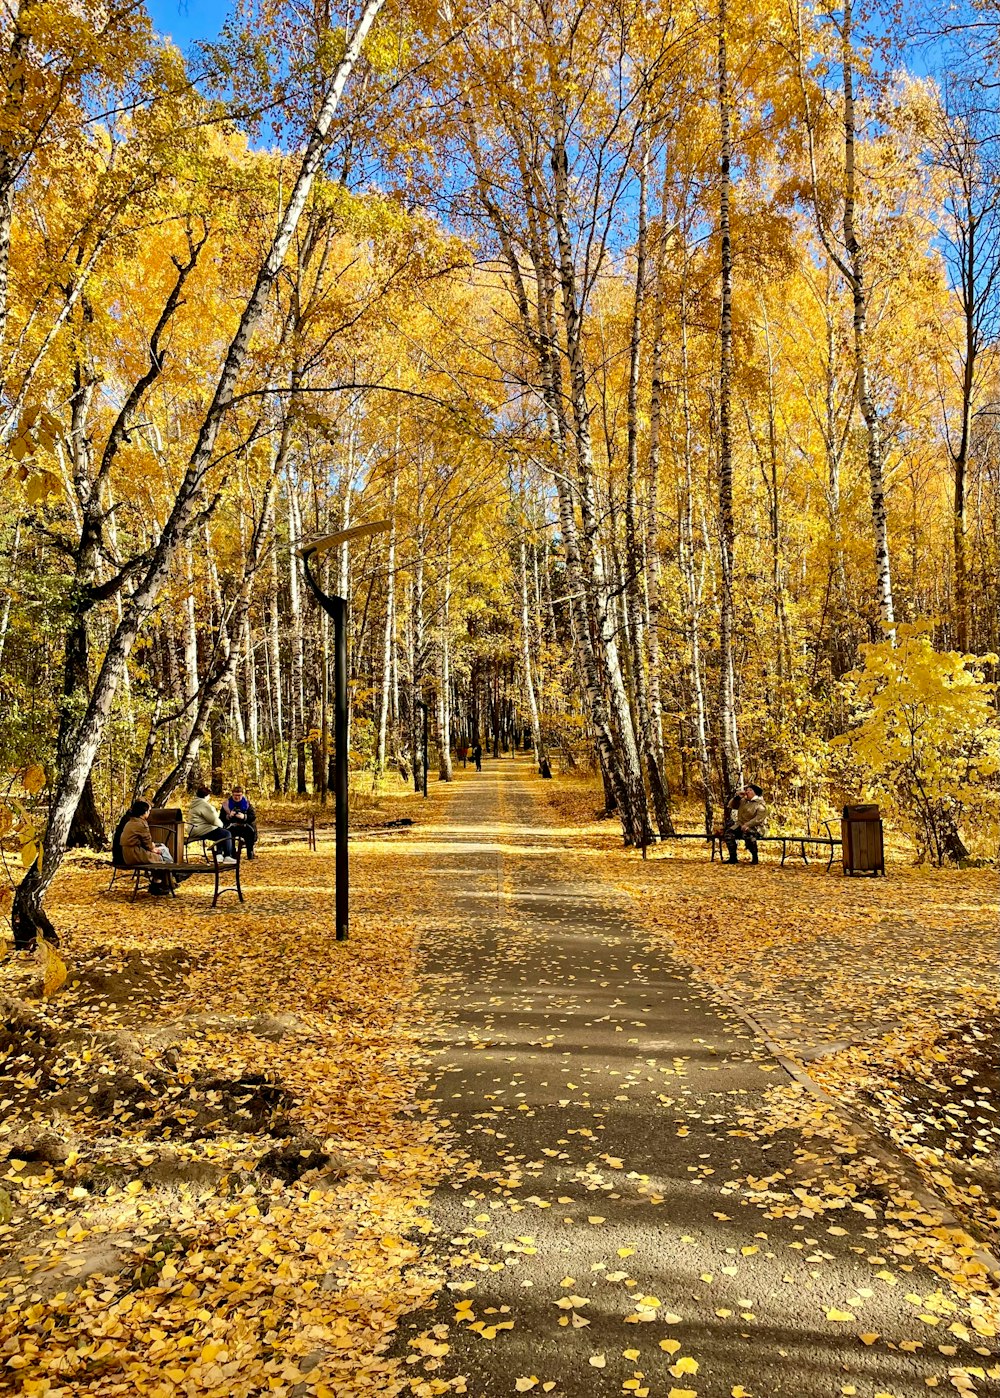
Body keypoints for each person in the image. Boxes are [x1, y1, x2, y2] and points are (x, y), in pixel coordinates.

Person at [120, 799, 174, 895]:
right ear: (144, 812)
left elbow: (144, 842)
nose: (149, 813)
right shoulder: (141, 824)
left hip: (128, 853)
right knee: (162, 856)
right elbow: (148, 844)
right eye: (148, 811)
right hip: (135, 854)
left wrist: (154, 848)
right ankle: (168, 880)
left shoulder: (130, 822)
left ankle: (163, 881)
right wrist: (154, 849)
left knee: (162, 849)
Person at [187, 786, 236, 861]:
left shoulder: (194, 803)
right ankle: (227, 856)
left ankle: (219, 854)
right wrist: (222, 825)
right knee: (226, 833)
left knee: (220, 833)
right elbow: (213, 820)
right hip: (200, 830)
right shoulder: (204, 805)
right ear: (206, 796)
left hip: (193, 829)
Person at [724, 784, 767, 865]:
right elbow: (731, 805)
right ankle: (733, 857)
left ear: (755, 793)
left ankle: (755, 857)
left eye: (750, 790)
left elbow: (759, 819)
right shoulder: (743, 801)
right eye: (747, 790)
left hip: (756, 828)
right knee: (729, 834)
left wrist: (748, 825)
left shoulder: (760, 804)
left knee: (748, 834)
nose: (747, 791)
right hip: (740, 826)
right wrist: (737, 797)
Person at [221, 783, 258, 858]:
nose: (237, 797)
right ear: (232, 795)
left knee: (250, 832)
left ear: (242, 795)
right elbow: (221, 818)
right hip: (231, 826)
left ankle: (250, 852)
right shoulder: (226, 804)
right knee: (228, 834)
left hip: (245, 826)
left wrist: (244, 817)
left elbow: (253, 816)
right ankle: (231, 853)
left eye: (239, 795)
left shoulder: (247, 804)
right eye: (235, 795)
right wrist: (229, 816)